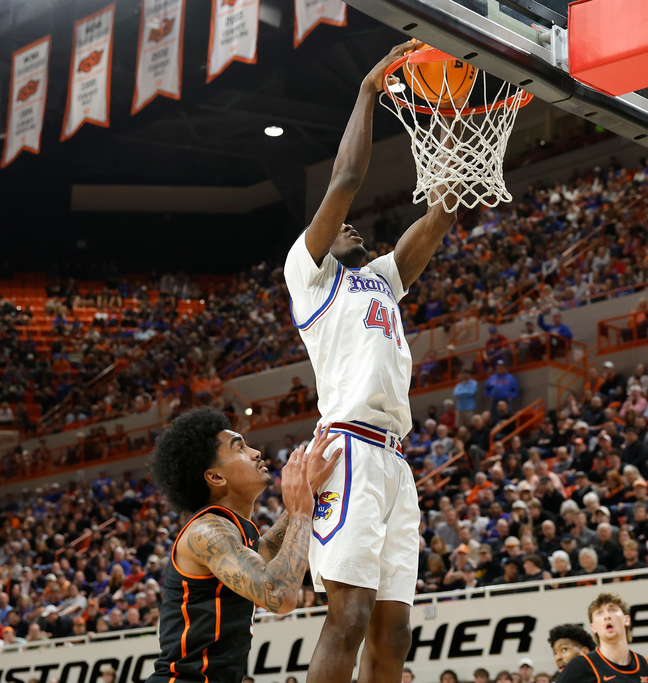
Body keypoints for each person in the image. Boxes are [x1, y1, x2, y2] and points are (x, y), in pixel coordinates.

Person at [282, 41, 457, 683]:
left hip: (394, 461)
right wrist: (368, 92)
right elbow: (347, 183)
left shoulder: (380, 279)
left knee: (394, 631)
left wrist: (461, 140)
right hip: (348, 451)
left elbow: (439, 219)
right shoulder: (308, 276)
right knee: (348, 618)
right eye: (343, 229)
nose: (355, 229)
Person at [146, 408, 340, 683]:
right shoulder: (207, 531)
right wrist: (300, 513)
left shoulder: (233, 529)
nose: (255, 452)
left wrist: (307, 487)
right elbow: (279, 595)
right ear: (216, 477)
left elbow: (268, 551)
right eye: (240, 448)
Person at [557, 593, 648, 682]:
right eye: (599, 613)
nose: (607, 616)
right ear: (593, 627)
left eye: (612, 610)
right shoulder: (580, 666)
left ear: (626, 620)